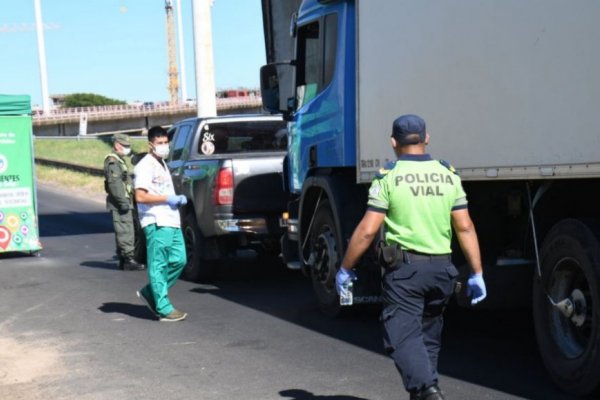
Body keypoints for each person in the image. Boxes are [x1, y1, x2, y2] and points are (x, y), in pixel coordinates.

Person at [335, 115, 487, 400]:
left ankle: (429, 392)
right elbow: (465, 226)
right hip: (443, 271)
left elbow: (368, 231)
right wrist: (477, 273)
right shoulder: (448, 175)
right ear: (426, 138)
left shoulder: (389, 177)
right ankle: (424, 392)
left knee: (402, 337)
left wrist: (345, 267)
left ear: (394, 143)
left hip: (406, 274)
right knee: (426, 340)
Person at [133, 126, 188, 322]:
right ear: (151, 144)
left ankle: (151, 292)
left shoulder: (163, 164)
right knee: (159, 264)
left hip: (171, 221)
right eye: (160, 143)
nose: (164, 146)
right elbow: (140, 195)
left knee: (179, 260)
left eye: (166, 143)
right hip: (156, 221)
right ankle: (163, 307)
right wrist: (167, 198)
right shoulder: (145, 165)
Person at [103, 133, 146, 271]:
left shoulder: (118, 160)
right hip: (121, 202)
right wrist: (123, 203)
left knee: (124, 229)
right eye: (125, 146)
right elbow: (115, 185)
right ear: (117, 145)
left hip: (124, 201)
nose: (128, 149)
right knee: (126, 230)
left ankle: (123, 259)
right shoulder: (113, 162)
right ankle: (128, 259)